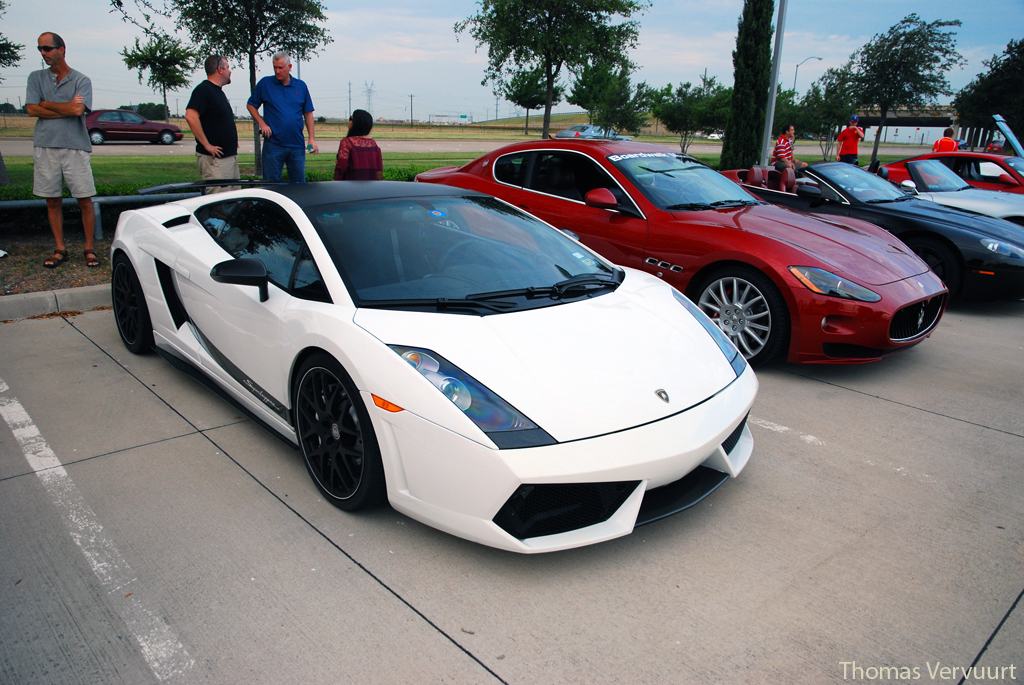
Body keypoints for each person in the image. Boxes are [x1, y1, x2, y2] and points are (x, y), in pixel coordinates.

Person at [25, 32, 98, 268]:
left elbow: (78, 111)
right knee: (52, 201)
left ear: (62, 49)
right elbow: (31, 110)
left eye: (47, 48)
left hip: (75, 147)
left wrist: (45, 103)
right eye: (40, 49)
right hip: (45, 146)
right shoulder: (36, 78)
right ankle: (60, 249)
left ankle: (89, 249)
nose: (43, 53)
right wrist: (65, 107)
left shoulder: (81, 80)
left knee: (84, 200)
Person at [246, 51, 318, 183]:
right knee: (271, 185)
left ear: (289, 67)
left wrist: (311, 139)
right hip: (274, 145)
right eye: (275, 67)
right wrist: (262, 124)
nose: (277, 71)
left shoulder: (300, 86)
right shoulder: (265, 84)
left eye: (281, 68)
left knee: (298, 185)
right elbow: (251, 105)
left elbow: (308, 113)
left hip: (296, 145)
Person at [185, 55, 239, 193]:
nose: (230, 71)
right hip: (216, 162)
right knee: (219, 204)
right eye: (227, 67)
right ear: (220, 70)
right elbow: (191, 116)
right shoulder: (203, 90)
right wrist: (207, 145)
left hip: (228, 158)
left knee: (232, 203)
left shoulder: (218, 92)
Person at [334, 109, 383, 181]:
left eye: (351, 119)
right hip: (370, 186)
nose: (349, 121)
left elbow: (342, 167)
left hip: (352, 185)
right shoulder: (373, 143)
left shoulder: (347, 142)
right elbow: (379, 169)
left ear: (356, 123)